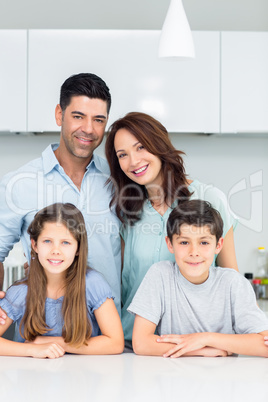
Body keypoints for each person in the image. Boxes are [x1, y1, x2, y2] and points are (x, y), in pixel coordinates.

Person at [105, 111, 238, 345]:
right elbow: (124, 281)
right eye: (122, 155)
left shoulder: (209, 198)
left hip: (196, 343)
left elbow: (232, 281)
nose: (133, 161)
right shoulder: (126, 211)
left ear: (158, 144)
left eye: (140, 147)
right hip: (135, 345)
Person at [0, 73, 121, 314]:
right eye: (78, 116)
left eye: (98, 120)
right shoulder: (19, 183)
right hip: (42, 335)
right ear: (59, 114)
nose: (88, 129)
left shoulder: (118, 179)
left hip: (111, 338)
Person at [127, 199, 268, 358]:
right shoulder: (160, 275)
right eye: (185, 242)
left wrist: (206, 338)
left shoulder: (233, 283)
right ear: (170, 244)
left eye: (204, 242)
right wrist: (201, 350)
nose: (194, 252)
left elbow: (265, 345)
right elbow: (141, 343)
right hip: (171, 376)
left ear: (218, 245)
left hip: (224, 377)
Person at [0, 203, 124, 358]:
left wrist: (53, 343)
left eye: (65, 242)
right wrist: (33, 349)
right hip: (32, 378)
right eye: (47, 241)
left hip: (85, 378)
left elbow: (115, 342)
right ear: (35, 244)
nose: (56, 250)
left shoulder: (93, 284)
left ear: (78, 248)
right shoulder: (20, 292)